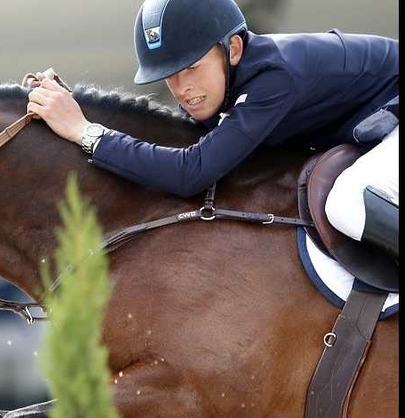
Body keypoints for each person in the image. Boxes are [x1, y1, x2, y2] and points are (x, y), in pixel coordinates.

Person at [26, 0, 398, 259]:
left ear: (233, 49)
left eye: (192, 67)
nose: (182, 88)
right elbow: (170, 150)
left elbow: (190, 173)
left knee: (348, 203)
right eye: (170, 75)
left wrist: (84, 130)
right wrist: (73, 111)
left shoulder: (274, 78)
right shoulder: (231, 85)